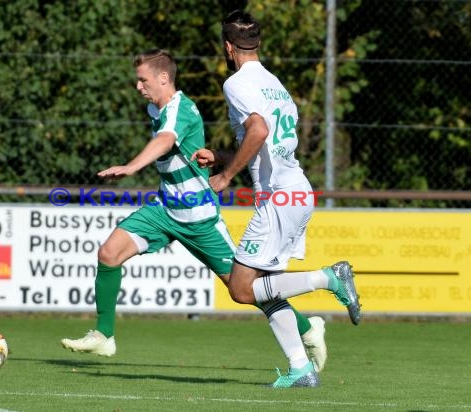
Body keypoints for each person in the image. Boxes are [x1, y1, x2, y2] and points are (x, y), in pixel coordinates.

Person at [60, 48, 328, 370]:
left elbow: (166, 140)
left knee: (245, 288)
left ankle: (308, 327)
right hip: (165, 210)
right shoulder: (154, 108)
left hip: (200, 218)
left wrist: (132, 166)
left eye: (143, 80)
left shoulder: (180, 109)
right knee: (109, 254)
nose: (138, 86)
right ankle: (104, 336)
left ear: (163, 78)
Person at [191, 11, 361, 388]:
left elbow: (258, 130)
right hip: (296, 190)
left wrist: (225, 175)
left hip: (279, 198)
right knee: (265, 286)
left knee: (240, 288)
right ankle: (301, 368)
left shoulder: (237, 83)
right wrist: (220, 156)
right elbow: (270, 144)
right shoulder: (275, 84)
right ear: (259, 44)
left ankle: (329, 277)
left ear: (228, 47)